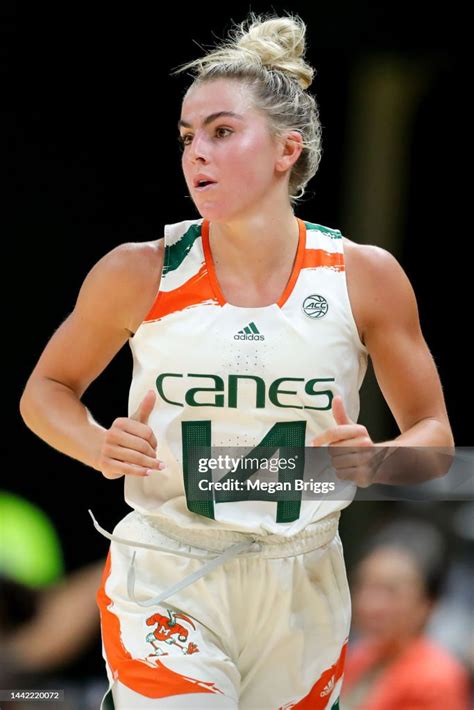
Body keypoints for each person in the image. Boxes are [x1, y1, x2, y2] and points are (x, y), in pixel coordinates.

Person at [19, 12, 454, 710]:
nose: (197, 153)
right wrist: (97, 444)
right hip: (168, 561)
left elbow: (431, 438)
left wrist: (379, 461)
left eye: (222, 132)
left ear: (287, 150)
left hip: (303, 577)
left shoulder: (363, 277)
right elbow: (45, 390)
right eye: (188, 137)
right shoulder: (140, 272)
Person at [341, 519, 471, 709]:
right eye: (365, 586)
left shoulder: (436, 678)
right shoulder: (360, 656)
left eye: (391, 591)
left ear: (428, 603)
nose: (370, 604)